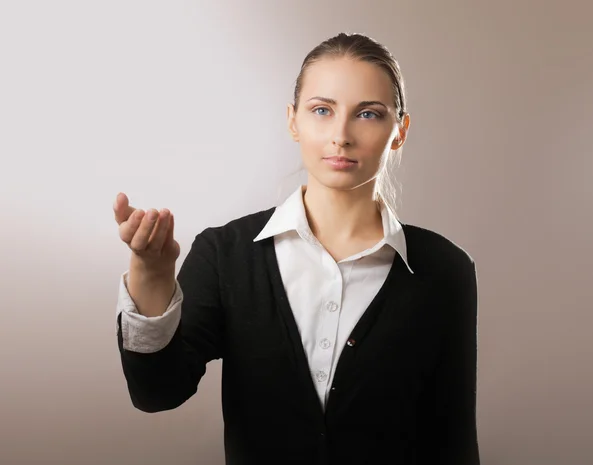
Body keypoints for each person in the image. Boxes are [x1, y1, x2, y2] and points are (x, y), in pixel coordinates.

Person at [113, 32, 481, 465]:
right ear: (293, 121)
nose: (340, 135)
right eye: (321, 110)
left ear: (399, 130)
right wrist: (152, 279)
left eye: (367, 114)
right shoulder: (225, 253)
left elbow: (451, 438)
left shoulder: (444, 270)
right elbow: (157, 392)